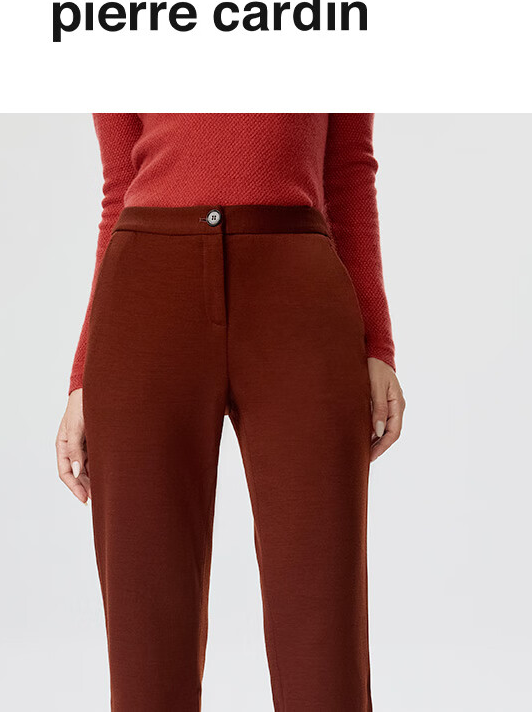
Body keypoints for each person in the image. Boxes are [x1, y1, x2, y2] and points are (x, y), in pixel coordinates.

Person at [55, 113, 405, 711]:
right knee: (145, 621)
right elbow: (119, 190)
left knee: (321, 611)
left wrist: (378, 344)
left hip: (299, 297)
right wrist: (84, 375)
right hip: (146, 299)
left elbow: (348, 173)